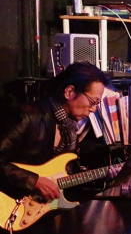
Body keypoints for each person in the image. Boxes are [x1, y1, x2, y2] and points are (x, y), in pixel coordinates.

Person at [0, 62, 110, 201]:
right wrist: (34, 181)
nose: (93, 109)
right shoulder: (26, 116)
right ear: (69, 92)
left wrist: (105, 176)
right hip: (11, 203)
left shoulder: (69, 128)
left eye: (96, 104)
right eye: (92, 102)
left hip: (44, 207)